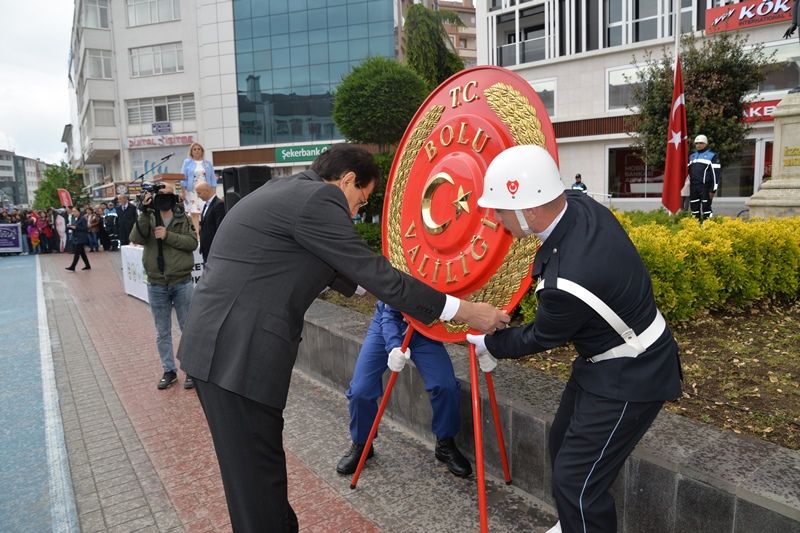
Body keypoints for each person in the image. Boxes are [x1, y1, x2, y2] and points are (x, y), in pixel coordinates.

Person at [176, 143, 509, 533]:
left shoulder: (285, 191)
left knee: (253, 477)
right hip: (237, 355)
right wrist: (467, 310)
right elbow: (377, 276)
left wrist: (413, 284)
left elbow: (358, 279)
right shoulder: (319, 199)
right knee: (256, 484)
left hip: (220, 348)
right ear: (347, 179)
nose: (354, 212)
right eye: (360, 199)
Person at [466, 145, 682, 533]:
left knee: (577, 483)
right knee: (562, 443)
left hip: (632, 373)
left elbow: (540, 336)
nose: (495, 219)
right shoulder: (578, 207)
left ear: (528, 209)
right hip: (602, 359)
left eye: (499, 210)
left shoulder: (569, 279)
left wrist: (489, 343)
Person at [336, 301, 471, 478]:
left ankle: (445, 444)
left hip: (424, 328)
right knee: (361, 390)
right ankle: (362, 444)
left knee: (446, 386)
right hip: (386, 323)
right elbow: (390, 309)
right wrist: (393, 345)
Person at [130, 185, 198, 390]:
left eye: (167, 196)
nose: (164, 200)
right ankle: (169, 370)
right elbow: (135, 238)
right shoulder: (148, 217)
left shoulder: (182, 218)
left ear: (174, 197)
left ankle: (191, 370)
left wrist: (167, 235)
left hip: (181, 281)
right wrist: (143, 211)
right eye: (160, 196)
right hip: (157, 283)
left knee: (187, 328)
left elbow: (192, 243)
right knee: (162, 331)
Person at [181, 143, 217, 233]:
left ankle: (205, 232)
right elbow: (183, 178)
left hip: (205, 190)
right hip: (192, 191)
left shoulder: (208, 163)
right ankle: (196, 235)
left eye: (198, 149)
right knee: (194, 213)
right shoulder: (187, 162)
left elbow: (213, 179)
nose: (197, 151)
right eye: (194, 149)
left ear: (202, 151)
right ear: (191, 152)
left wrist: (213, 191)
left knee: (206, 211)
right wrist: (183, 191)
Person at [687, 134, 721, 222]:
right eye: (696, 143)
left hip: (705, 187)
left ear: (705, 144)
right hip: (693, 187)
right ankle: (695, 228)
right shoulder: (691, 156)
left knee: (706, 209)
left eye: (701, 143)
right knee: (694, 209)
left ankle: (708, 228)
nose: (698, 145)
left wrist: (713, 190)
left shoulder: (712, 156)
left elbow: (716, 174)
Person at [195, 181, 226, 264]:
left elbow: (220, 229)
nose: (198, 196)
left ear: (207, 191)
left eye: (199, 193)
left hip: (214, 250)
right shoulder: (206, 205)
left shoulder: (219, 205)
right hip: (206, 250)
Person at [65, 207, 91, 271]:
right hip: (78, 238)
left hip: (81, 239)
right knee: (82, 253)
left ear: (79, 212)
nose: (73, 213)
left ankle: (73, 266)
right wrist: (70, 227)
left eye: (75, 211)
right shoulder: (78, 219)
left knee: (77, 253)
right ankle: (87, 265)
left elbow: (85, 228)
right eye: (73, 211)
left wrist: (75, 227)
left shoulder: (83, 219)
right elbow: (76, 227)